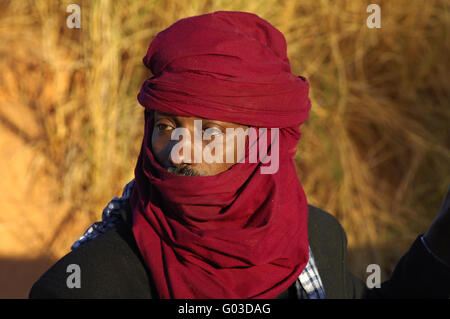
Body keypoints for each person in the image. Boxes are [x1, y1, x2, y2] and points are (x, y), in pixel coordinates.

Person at [29, 11, 450, 299]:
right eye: (166, 126)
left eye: (211, 129)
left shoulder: (315, 241)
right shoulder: (91, 281)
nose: (181, 149)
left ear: (266, 143)